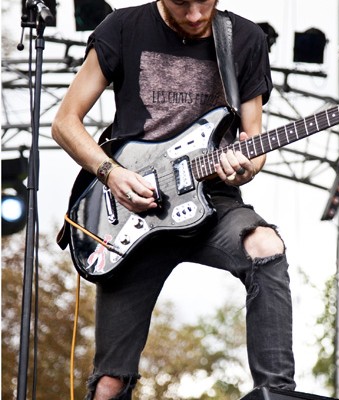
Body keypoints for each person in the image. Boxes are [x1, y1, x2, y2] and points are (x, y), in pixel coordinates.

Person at [52, 1, 296, 398]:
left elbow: (254, 139)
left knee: (265, 245)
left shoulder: (245, 39)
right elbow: (64, 123)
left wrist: (245, 166)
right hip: (132, 211)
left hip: (212, 199)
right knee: (110, 384)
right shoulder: (122, 27)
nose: (197, 15)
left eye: (206, 2)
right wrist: (111, 173)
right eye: (183, 4)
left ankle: (277, 391)